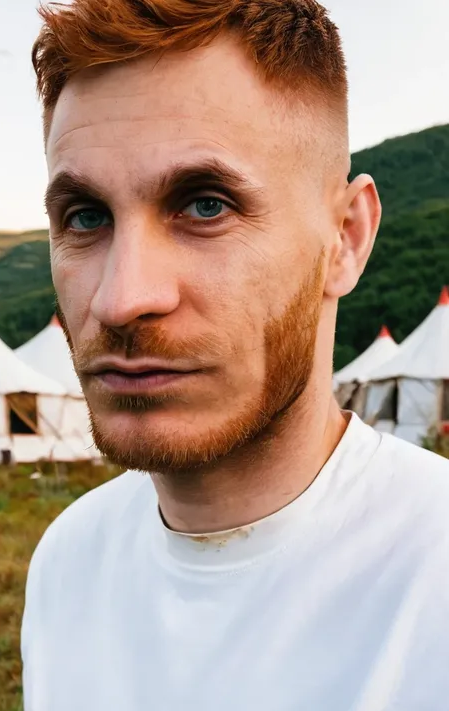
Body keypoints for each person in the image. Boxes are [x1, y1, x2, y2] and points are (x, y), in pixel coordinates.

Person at [22, 1, 449, 709]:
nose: (121, 299)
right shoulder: (67, 562)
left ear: (344, 238)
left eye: (206, 205)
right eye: (86, 216)